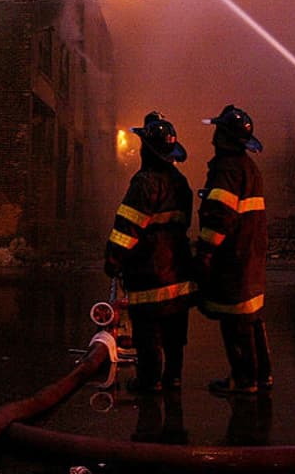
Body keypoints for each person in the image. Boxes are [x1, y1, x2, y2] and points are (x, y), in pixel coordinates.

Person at [104, 111, 195, 393]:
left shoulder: (144, 184)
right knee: (175, 333)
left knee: (148, 332)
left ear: (148, 150)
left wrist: (113, 259)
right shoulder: (181, 183)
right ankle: (173, 377)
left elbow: (127, 228)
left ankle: (149, 380)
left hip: (149, 273)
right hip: (178, 271)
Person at [195, 104, 271, 396]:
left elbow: (220, 216)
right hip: (250, 255)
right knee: (251, 317)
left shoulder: (227, 169)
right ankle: (262, 375)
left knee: (235, 320)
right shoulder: (248, 167)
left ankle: (243, 379)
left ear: (224, 137)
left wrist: (205, 252)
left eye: (218, 131)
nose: (213, 137)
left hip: (233, 258)